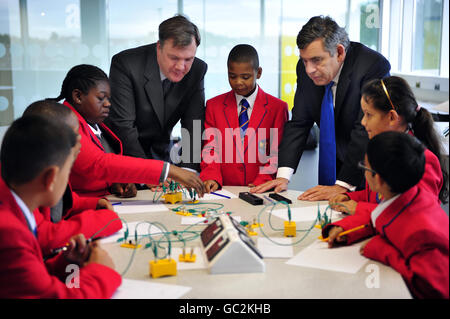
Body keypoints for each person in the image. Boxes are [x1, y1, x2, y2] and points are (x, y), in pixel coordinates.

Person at [251, 16, 391, 201]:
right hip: (338, 159)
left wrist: (343, 185)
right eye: (304, 60)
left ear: (339, 53)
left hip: (369, 166)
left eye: (317, 60)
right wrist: (282, 176)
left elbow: (364, 129)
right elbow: (300, 122)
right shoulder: (306, 70)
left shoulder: (371, 66)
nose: (309, 70)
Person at [0, 116, 121, 298]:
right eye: (68, 172)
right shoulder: (9, 232)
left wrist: (65, 263)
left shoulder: (15, 205)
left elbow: (26, 281)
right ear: (51, 178)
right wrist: (99, 269)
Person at [322, 132, 449, 299]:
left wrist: (379, 249)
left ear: (379, 180)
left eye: (364, 167)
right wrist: (346, 231)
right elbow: (381, 218)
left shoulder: (422, 234)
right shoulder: (407, 197)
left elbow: (430, 288)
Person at [48, 64, 205, 198]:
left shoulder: (92, 122)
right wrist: (170, 170)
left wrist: (114, 184)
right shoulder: (65, 122)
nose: (108, 104)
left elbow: (90, 171)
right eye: (101, 98)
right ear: (78, 96)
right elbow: (98, 164)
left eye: (109, 98)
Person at [329, 76, 448, 215]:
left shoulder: (422, 160)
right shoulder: (381, 149)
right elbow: (376, 198)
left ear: (392, 117)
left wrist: (358, 208)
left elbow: (413, 214)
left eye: (368, 115)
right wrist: (350, 197)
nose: (363, 122)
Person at [105, 14, 207, 173]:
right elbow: (123, 126)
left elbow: (193, 125)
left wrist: (189, 171)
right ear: (159, 47)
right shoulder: (126, 64)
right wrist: (151, 173)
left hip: (161, 156)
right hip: (124, 159)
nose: (181, 66)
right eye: (174, 58)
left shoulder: (197, 69)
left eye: (188, 59)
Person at [21, 100, 122, 255]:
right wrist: (107, 220)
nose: (81, 140)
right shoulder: (26, 183)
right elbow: (45, 236)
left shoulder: (38, 165)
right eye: (75, 134)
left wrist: (95, 203)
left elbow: (64, 201)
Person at [199, 44, 288, 192]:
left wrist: (263, 180)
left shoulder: (277, 108)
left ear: (258, 73)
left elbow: (277, 151)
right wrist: (212, 176)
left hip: (261, 188)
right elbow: (210, 148)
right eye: (232, 76)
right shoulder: (213, 106)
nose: (238, 82)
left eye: (245, 77)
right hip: (222, 189)